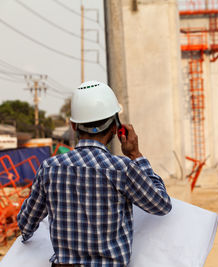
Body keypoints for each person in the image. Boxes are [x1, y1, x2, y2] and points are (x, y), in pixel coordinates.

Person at [17, 81, 172, 267]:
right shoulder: (122, 169)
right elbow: (161, 204)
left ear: (74, 126)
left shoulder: (50, 168)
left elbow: (26, 224)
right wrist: (135, 155)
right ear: (115, 127)